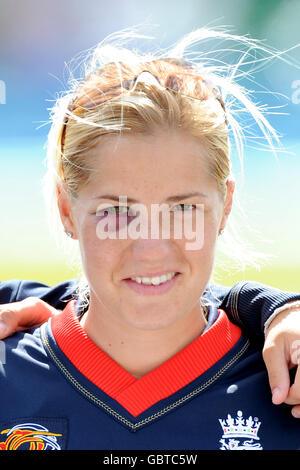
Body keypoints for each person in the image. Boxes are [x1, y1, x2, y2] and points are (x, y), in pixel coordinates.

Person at [1, 26, 300, 450]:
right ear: (67, 209)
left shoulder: (286, 390)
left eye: (183, 209)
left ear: (225, 206)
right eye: (118, 212)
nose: (152, 246)